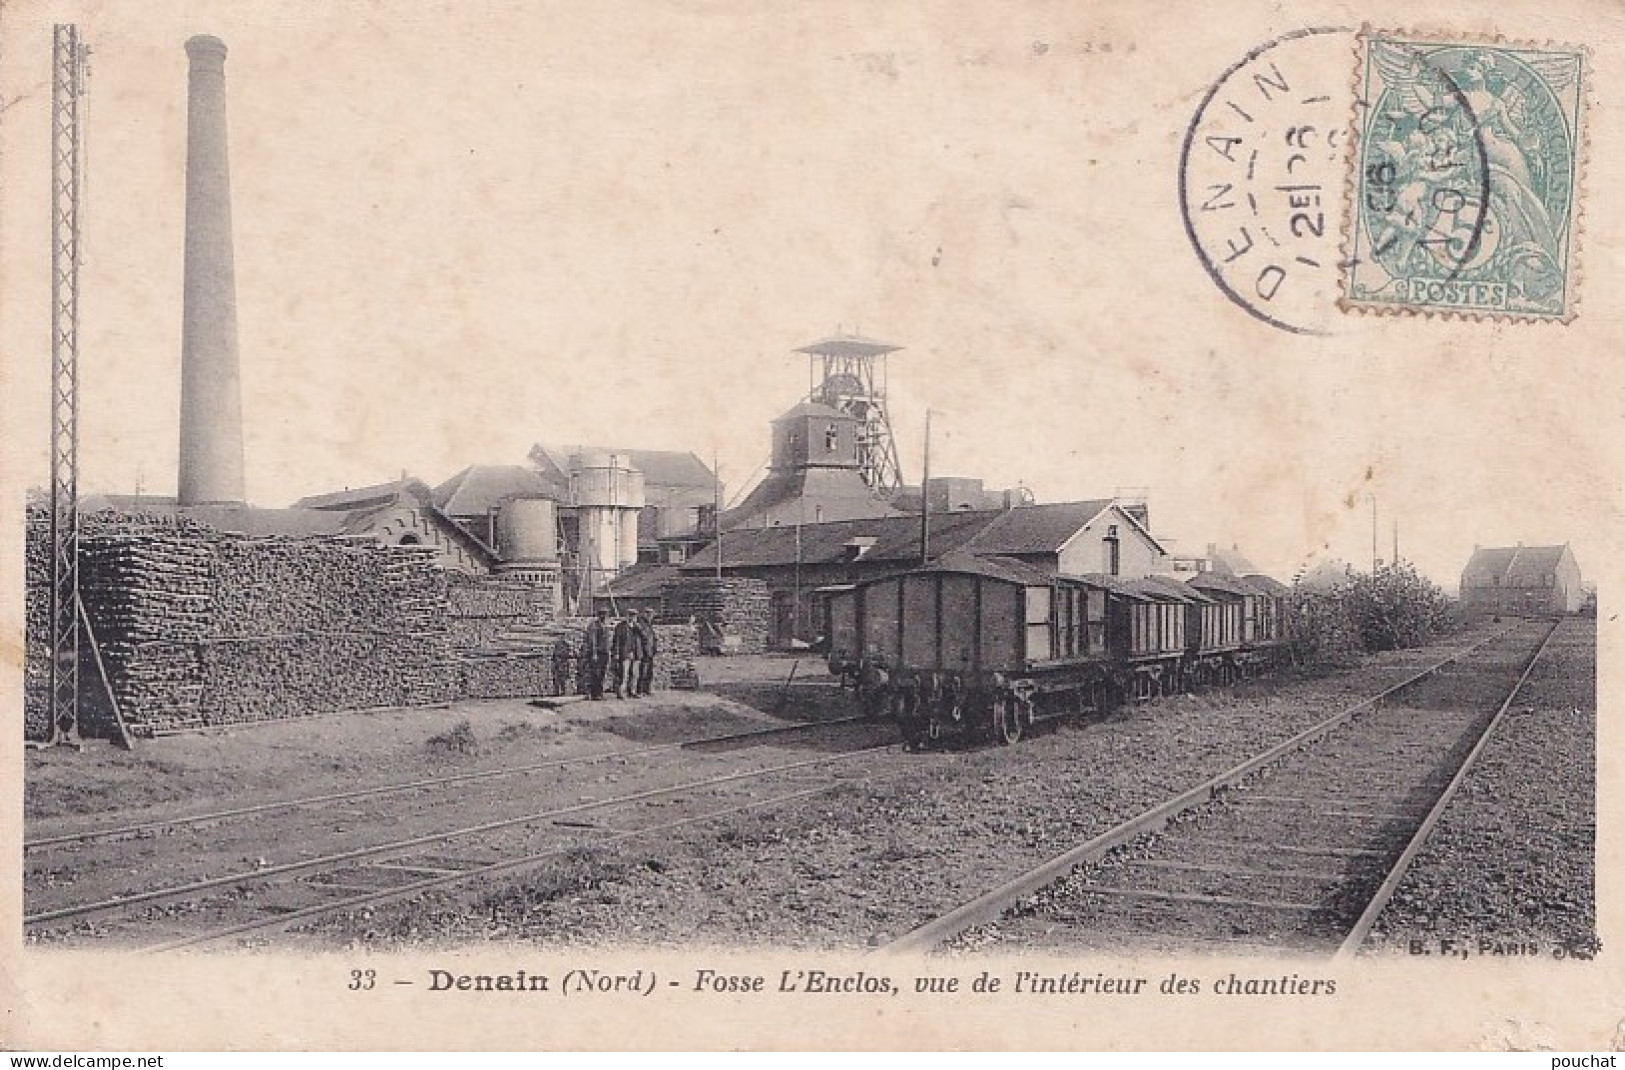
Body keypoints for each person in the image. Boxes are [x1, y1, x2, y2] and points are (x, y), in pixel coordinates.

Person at [584, 608, 610, 700]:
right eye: (602, 614)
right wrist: (594, 653)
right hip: (597, 653)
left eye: (606, 615)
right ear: (599, 615)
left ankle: (599, 693)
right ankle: (594, 693)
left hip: (604, 653)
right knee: (595, 673)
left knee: (602, 673)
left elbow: (607, 640)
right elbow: (592, 640)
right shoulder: (594, 625)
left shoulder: (606, 625)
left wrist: (608, 651)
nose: (604, 616)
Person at [632, 609, 659, 697]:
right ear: (646, 614)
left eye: (652, 615)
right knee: (642, 672)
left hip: (650, 652)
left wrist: (654, 648)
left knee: (649, 672)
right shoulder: (641, 624)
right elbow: (643, 637)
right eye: (649, 614)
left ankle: (647, 689)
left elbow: (653, 638)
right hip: (644, 652)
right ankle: (639, 691)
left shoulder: (649, 625)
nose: (651, 616)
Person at [610, 612, 635, 699]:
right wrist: (616, 653)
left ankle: (627, 691)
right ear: (627, 616)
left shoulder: (633, 627)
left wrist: (632, 651)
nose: (632, 617)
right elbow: (616, 641)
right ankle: (620, 692)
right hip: (622, 653)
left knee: (629, 673)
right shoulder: (621, 627)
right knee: (623, 673)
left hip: (630, 654)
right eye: (630, 616)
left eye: (633, 616)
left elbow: (633, 642)